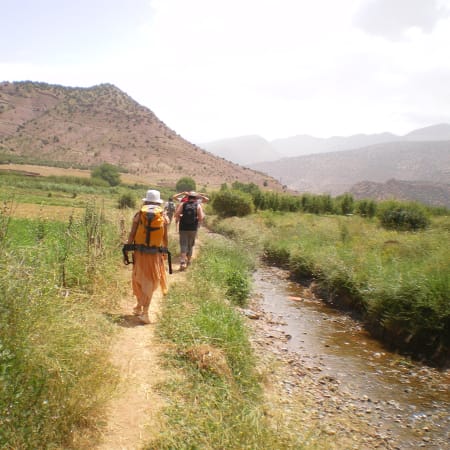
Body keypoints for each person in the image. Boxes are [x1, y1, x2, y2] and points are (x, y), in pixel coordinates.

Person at [124, 189, 169, 324]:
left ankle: (142, 309)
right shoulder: (164, 217)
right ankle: (142, 309)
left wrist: (127, 248)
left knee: (138, 278)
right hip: (155, 254)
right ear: (158, 203)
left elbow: (132, 234)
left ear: (146, 201)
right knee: (151, 281)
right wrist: (165, 252)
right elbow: (165, 237)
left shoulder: (139, 215)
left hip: (139, 253)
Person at [174, 191, 205, 271]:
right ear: (195, 198)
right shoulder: (198, 205)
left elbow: (176, 215)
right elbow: (201, 218)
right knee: (190, 244)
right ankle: (189, 260)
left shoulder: (182, 204)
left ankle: (182, 262)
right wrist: (196, 219)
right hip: (193, 228)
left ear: (188, 197)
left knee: (183, 244)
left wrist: (181, 217)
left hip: (183, 227)